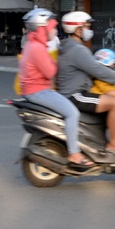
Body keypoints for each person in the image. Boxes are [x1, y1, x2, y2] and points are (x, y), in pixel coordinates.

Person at [56, 11, 115, 160]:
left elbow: (95, 69)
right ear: (78, 29)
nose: (89, 31)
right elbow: (100, 71)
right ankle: (114, 144)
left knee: (108, 96)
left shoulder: (67, 46)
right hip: (76, 95)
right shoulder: (78, 50)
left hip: (74, 92)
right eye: (87, 26)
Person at [18, 9, 93, 168]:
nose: (55, 30)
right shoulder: (37, 48)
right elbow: (51, 72)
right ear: (42, 28)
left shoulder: (32, 44)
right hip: (39, 91)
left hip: (35, 90)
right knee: (72, 113)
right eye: (52, 27)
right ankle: (74, 153)